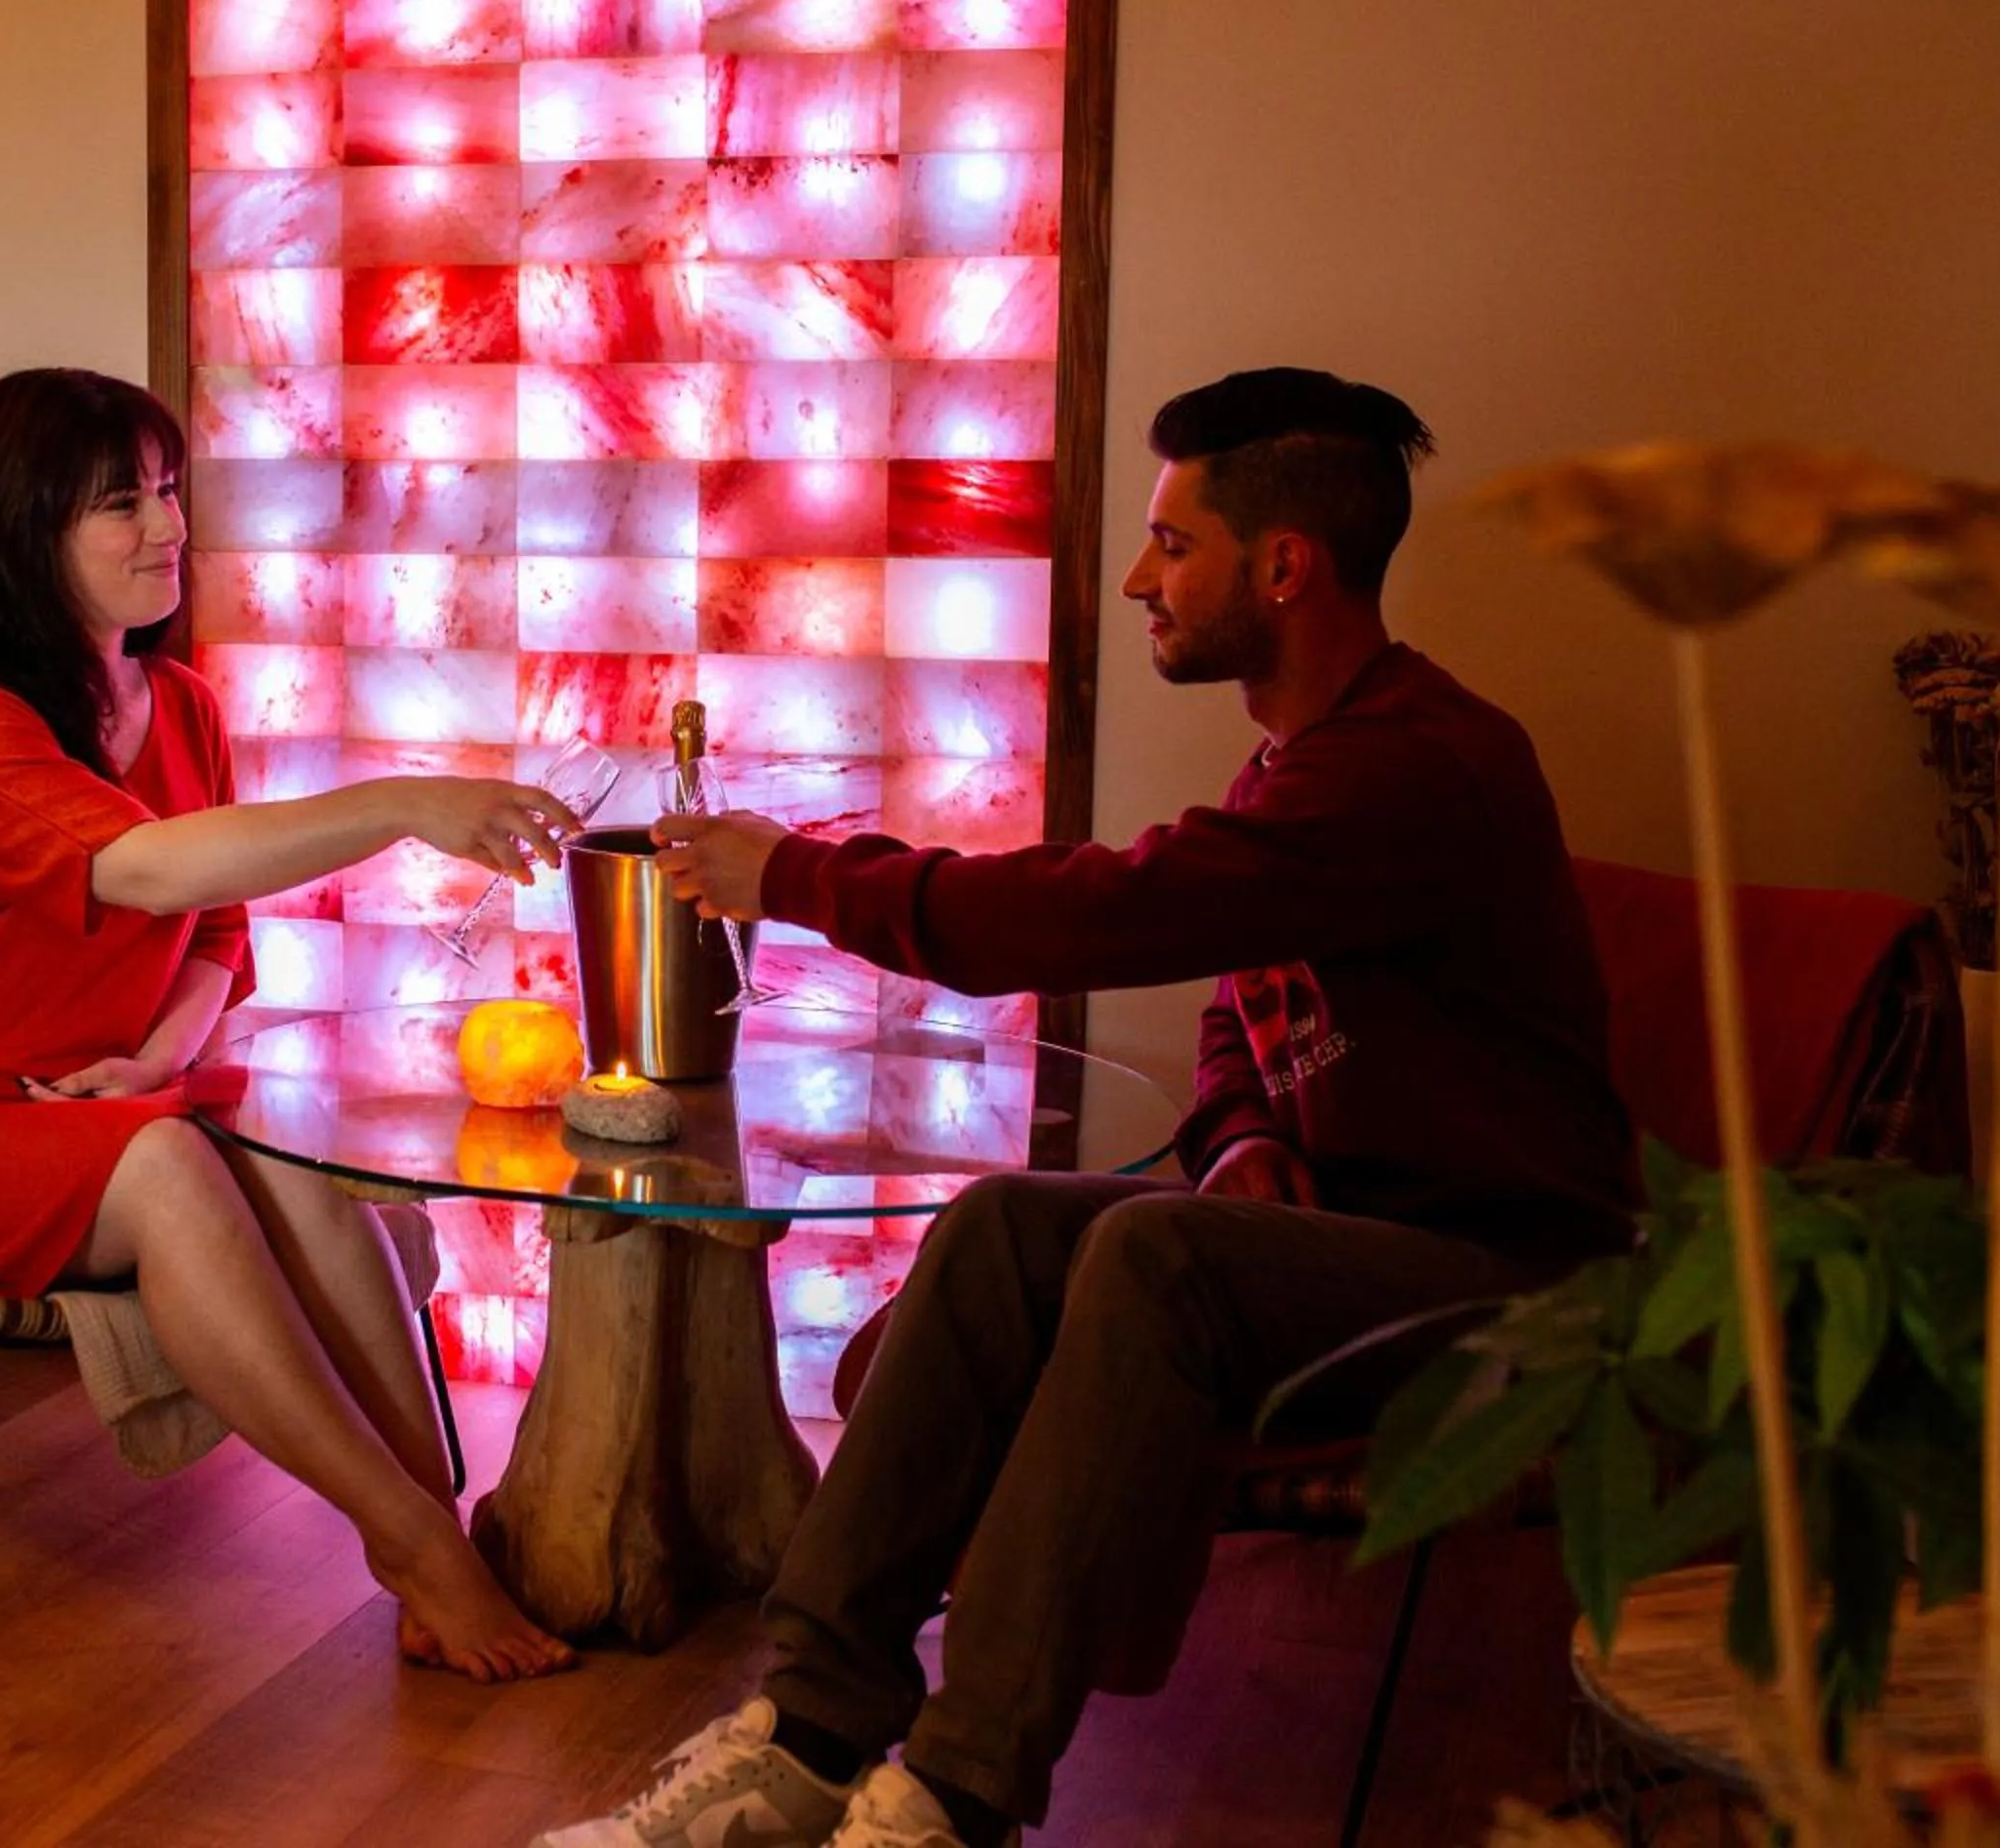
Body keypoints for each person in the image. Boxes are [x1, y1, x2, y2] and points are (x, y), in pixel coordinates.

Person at [536, 368, 1636, 1845]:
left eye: (1174, 546)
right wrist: (1244, 1133)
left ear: (1285, 565)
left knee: (1152, 1255)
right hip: (1357, 1245)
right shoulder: (1306, 764)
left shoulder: (1421, 769)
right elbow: (1242, 994)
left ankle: (954, 1791)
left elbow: (1112, 916)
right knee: (1002, 1228)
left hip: (1518, 1291)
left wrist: (793, 875)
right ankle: (804, 1735)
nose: (1139, 579)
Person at [0, 367, 579, 1683]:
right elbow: (157, 871)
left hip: (101, 1116)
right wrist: (399, 798)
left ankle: (437, 1529)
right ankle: (410, 1541)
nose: (170, 528)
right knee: (171, 1164)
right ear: (24, 526)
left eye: (170, 491)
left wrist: (155, 1058)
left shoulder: (189, 710)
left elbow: (216, 938)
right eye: (125, 502)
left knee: (294, 1156)